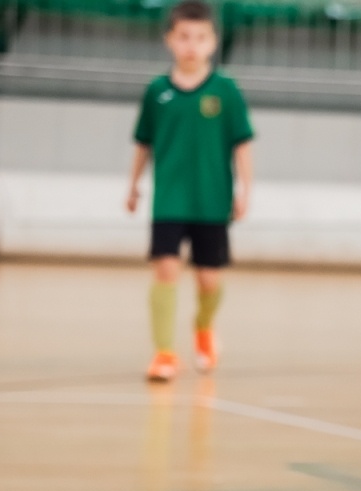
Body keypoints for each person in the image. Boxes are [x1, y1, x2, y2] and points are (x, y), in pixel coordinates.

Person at [127, 0, 253, 384]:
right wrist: (133, 186)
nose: (191, 46)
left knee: (208, 280)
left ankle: (203, 329)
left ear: (213, 42)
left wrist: (244, 188)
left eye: (200, 37)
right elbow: (143, 143)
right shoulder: (157, 91)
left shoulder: (226, 91)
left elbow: (242, 144)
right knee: (165, 270)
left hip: (211, 203)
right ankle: (164, 353)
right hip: (168, 200)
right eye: (183, 37)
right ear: (169, 40)